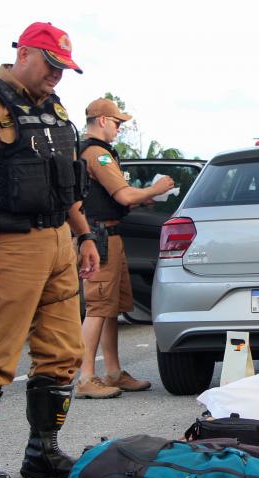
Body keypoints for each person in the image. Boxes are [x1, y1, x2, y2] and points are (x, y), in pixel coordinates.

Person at [0, 22, 100, 478]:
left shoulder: (52, 109)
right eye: (51, 65)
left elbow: (61, 182)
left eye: (63, 68)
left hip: (57, 244)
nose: (57, 75)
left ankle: (42, 453)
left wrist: (84, 236)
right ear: (24, 53)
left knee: (63, 352)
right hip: (7, 246)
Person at [75, 98, 175, 399]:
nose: (119, 128)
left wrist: (144, 197)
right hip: (98, 237)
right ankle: (86, 377)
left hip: (109, 235)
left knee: (110, 309)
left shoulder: (96, 152)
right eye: (117, 122)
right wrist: (156, 190)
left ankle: (114, 372)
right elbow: (123, 195)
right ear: (102, 120)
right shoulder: (96, 154)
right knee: (97, 307)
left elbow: (119, 197)